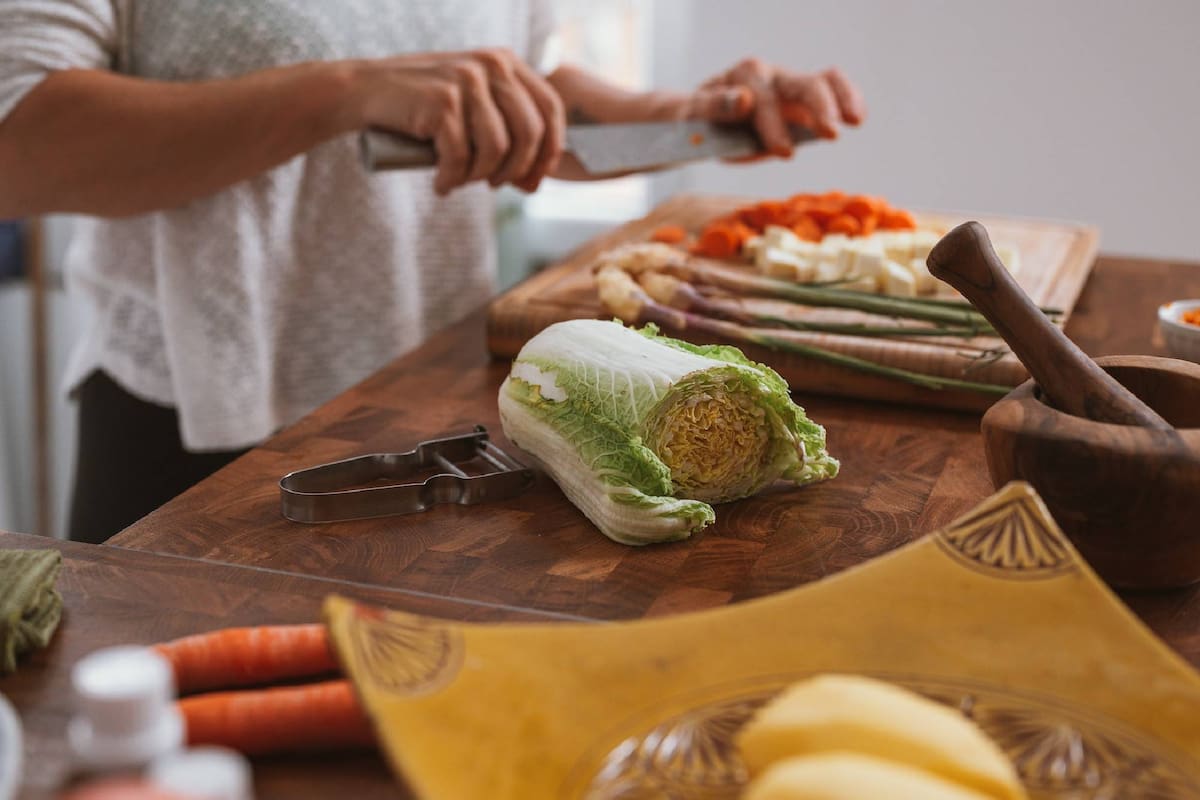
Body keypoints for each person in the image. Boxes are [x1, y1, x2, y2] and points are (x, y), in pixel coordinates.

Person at [0, 1, 866, 544]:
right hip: (186, 434)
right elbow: (18, 143)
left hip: (435, 417)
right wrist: (343, 92)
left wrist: (683, 117)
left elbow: (514, 95)